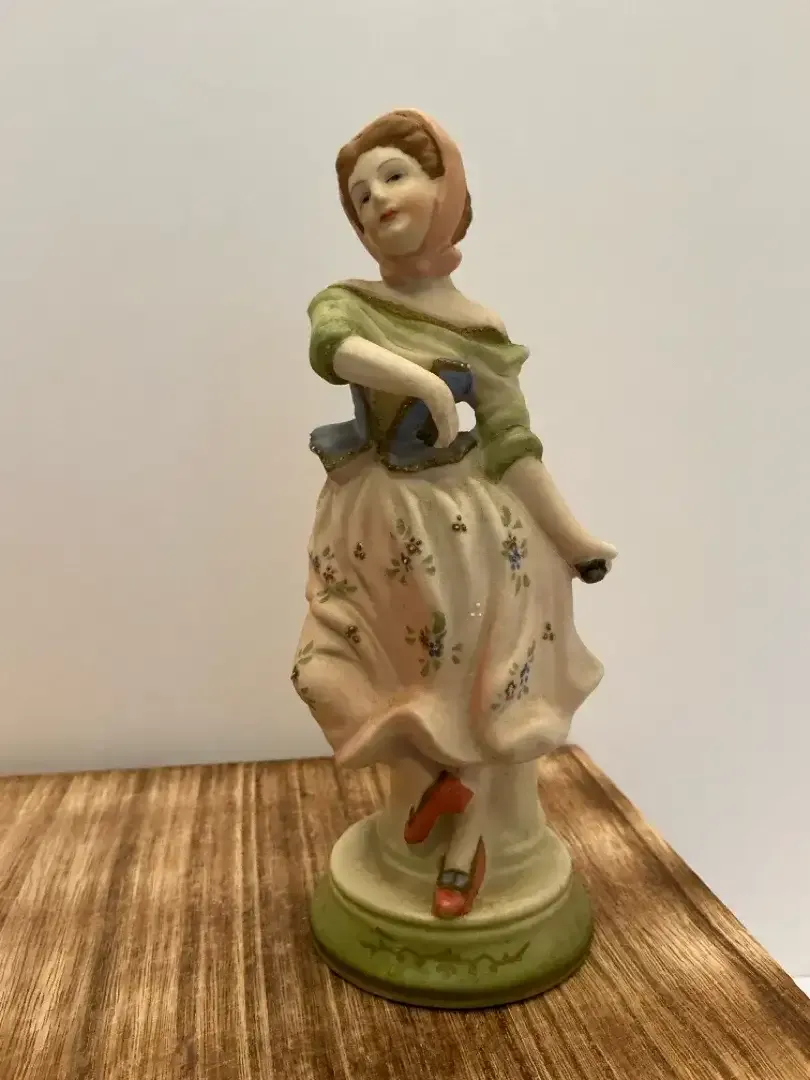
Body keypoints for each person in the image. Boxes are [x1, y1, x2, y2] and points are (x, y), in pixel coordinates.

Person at [293, 109, 616, 919]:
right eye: (359, 196)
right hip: (375, 523)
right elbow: (332, 347)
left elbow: (513, 443)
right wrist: (425, 385)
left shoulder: (481, 326)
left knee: (480, 680)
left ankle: (465, 837)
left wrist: (574, 538)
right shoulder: (348, 302)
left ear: (446, 189)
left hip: (469, 530)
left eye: (394, 175)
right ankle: (440, 800)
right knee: (351, 671)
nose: (376, 199)